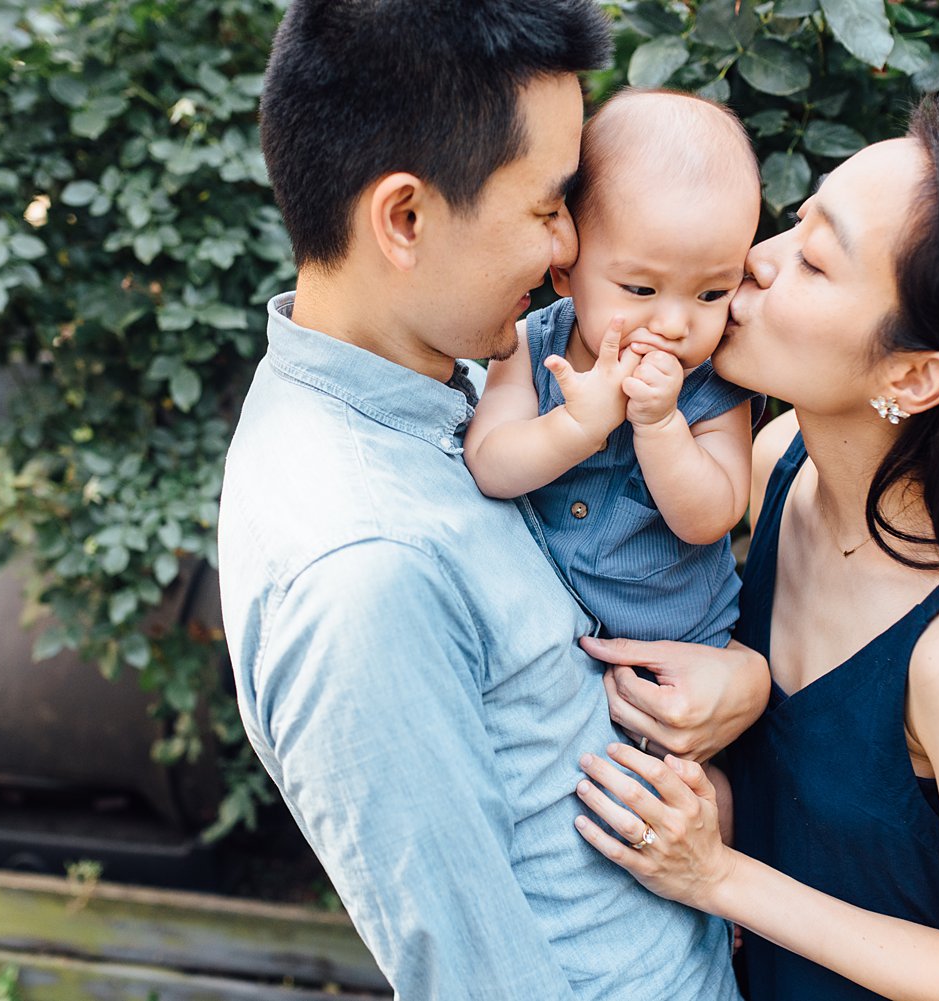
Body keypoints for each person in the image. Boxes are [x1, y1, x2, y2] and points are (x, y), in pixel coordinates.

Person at [216, 2, 768, 997]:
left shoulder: (468, 378)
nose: (569, 245)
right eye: (551, 205)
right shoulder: (364, 565)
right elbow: (473, 972)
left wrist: (740, 686)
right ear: (406, 218)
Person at [569, 103, 939, 1000]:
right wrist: (738, 686)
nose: (755, 259)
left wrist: (718, 876)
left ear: (912, 375)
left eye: (811, 259)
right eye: (797, 217)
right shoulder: (776, 469)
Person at [464, 90, 760, 649]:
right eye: (642, 288)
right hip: (544, 637)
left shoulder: (714, 381)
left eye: (712, 291)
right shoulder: (533, 343)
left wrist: (661, 426)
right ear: (566, 271)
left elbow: (713, 516)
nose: (675, 323)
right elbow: (489, 464)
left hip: (674, 650)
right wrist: (577, 426)